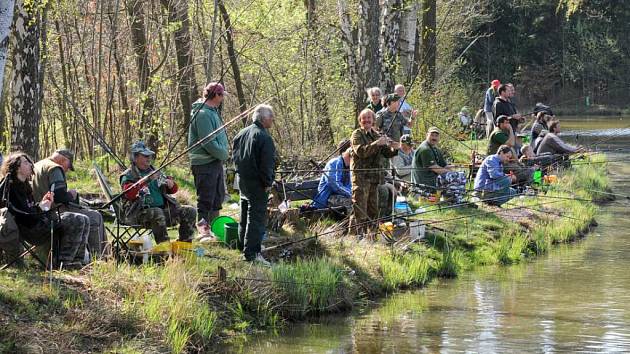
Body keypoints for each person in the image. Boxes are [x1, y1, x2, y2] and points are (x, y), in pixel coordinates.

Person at [2, 152, 89, 269]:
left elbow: (29, 209)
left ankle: (77, 260)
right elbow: (23, 215)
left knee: (84, 218)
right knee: (76, 219)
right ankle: (63, 263)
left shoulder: (25, 186)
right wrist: (41, 208)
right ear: (17, 168)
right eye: (25, 162)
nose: (30, 165)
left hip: (37, 222)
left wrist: (44, 203)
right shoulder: (11, 187)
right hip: (30, 229)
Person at [32, 149, 106, 258]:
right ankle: (100, 257)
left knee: (88, 210)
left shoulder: (37, 165)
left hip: (37, 211)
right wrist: (71, 194)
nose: (67, 170)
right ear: (63, 160)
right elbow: (60, 196)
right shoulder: (55, 168)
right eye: (68, 166)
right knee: (95, 216)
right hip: (52, 212)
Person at [120, 141, 197, 244]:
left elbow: (172, 190)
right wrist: (146, 180)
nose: (148, 158)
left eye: (150, 156)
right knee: (157, 212)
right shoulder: (129, 175)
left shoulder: (155, 172)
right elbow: (129, 194)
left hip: (163, 211)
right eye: (145, 156)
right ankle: (164, 247)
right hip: (138, 215)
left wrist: (171, 184)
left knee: (190, 211)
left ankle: (184, 245)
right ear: (135, 157)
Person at [233, 104, 277, 266]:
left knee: (244, 214)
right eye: (271, 116)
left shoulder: (241, 133)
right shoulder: (264, 137)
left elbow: (235, 159)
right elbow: (267, 164)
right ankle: (252, 253)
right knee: (256, 217)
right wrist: (267, 182)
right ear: (264, 118)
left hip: (242, 180)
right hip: (257, 183)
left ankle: (243, 245)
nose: (273, 119)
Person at [349, 109, 399, 235]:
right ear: (360, 121)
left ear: (373, 120)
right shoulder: (357, 134)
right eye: (364, 118)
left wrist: (394, 146)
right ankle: (355, 237)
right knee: (360, 209)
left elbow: (386, 153)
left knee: (373, 210)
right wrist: (378, 143)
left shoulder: (376, 134)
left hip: (374, 178)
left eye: (369, 118)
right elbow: (361, 152)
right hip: (361, 178)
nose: (366, 120)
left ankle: (371, 236)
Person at [188, 82, 229, 225]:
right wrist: (223, 154)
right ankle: (203, 231)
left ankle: (214, 228)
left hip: (215, 162)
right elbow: (208, 142)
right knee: (205, 200)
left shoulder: (213, 112)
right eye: (221, 95)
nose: (223, 98)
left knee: (217, 198)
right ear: (215, 95)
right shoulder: (203, 114)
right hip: (204, 164)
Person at [411, 127, 466, 203]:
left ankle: (451, 198)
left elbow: (443, 166)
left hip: (434, 177)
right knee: (456, 176)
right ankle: (455, 200)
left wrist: (455, 167)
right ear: (427, 135)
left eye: (436, 136)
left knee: (461, 174)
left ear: (439, 137)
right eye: (432, 135)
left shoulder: (435, 149)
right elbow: (435, 168)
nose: (434, 138)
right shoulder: (425, 149)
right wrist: (451, 173)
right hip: (426, 180)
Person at [312, 142, 352, 209]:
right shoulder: (334, 163)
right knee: (350, 201)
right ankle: (351, 219)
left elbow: (350, 184)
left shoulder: (350, 165)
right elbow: (334, 185)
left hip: (342, 194)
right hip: (328, 196)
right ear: (345, 152)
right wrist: (351, 194)